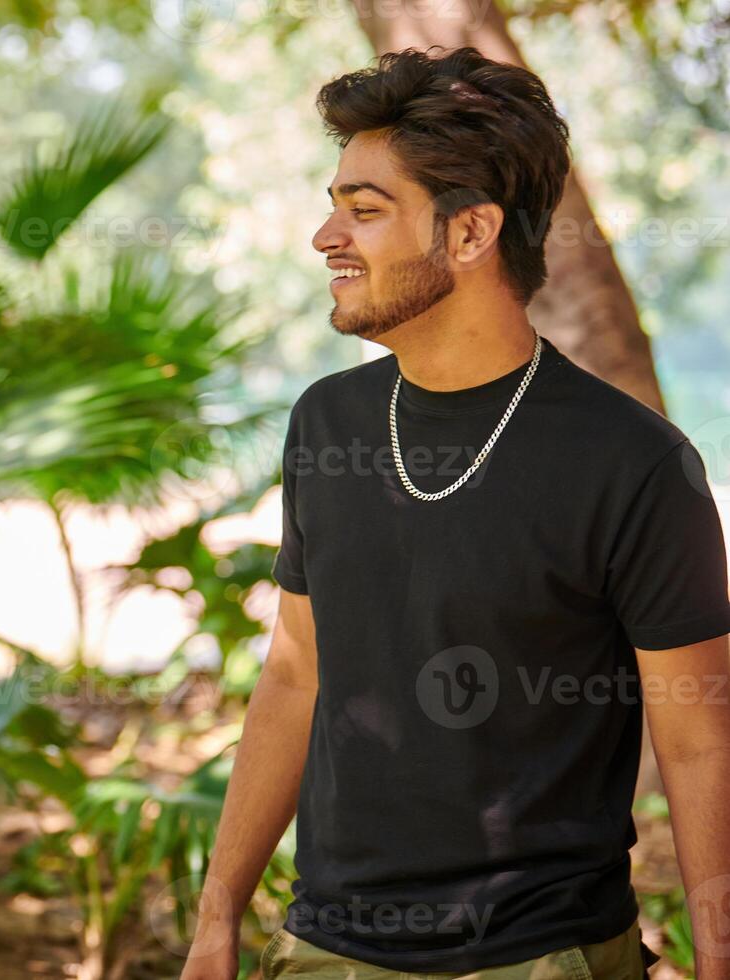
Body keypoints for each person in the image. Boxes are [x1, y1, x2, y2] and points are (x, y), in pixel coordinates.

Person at [181, 47, 730, 980]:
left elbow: (699, 736)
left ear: (471, 233)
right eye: (334, 203)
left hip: (540, 958)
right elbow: (295, 674)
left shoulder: (635, 463)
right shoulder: (327, 422)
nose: (325, 237)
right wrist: (217, 919)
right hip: (321, 951)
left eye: (364, 210)